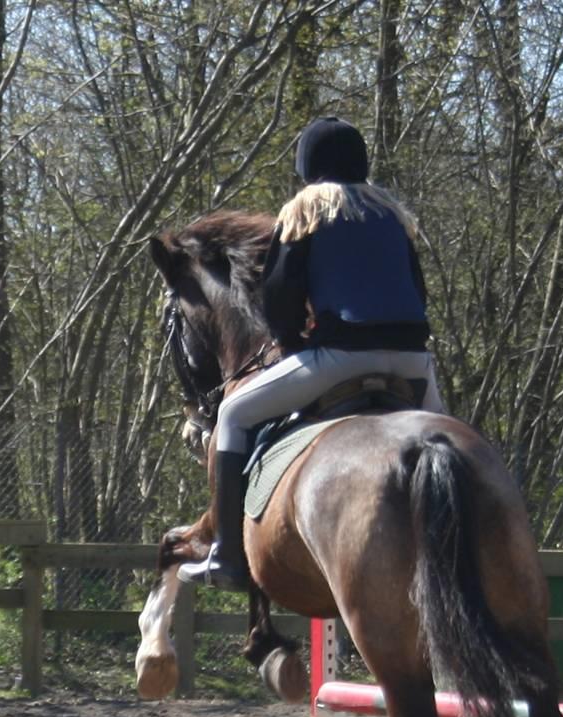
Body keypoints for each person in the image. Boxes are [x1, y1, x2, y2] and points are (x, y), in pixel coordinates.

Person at [178, 115, 445, 590]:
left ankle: (228, 557)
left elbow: (278, 300)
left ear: (307, 167)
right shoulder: (393, 215)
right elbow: (418, 293)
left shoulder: (304, 212)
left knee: (234, 415)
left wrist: (295, 344)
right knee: (455, 445)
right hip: (413, 362)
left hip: (341, 356)